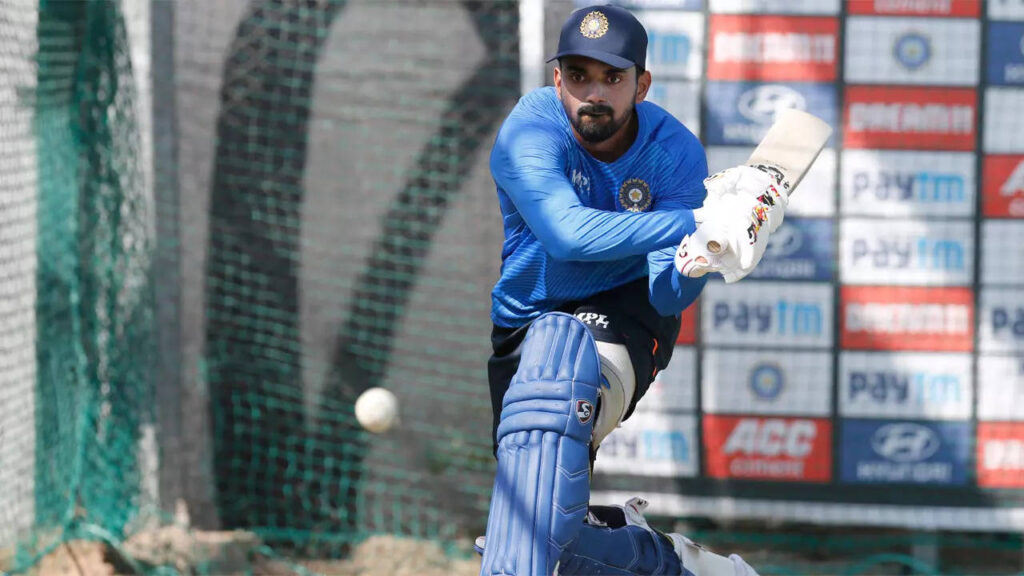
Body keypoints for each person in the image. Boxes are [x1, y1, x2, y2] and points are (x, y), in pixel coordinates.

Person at [478, 5, 782, 576]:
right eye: (578, 75)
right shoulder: (531, 129)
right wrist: (697, 220)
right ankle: (682, 567)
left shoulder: (674, 152)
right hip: (527, 315)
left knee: (554, 385)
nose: (593, 92)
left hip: (628, 307)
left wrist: (698, 261)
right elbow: (567, 236)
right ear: (556, 79)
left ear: (642, 84)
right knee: (538, 544)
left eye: (612, 78)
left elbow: (667, 298)